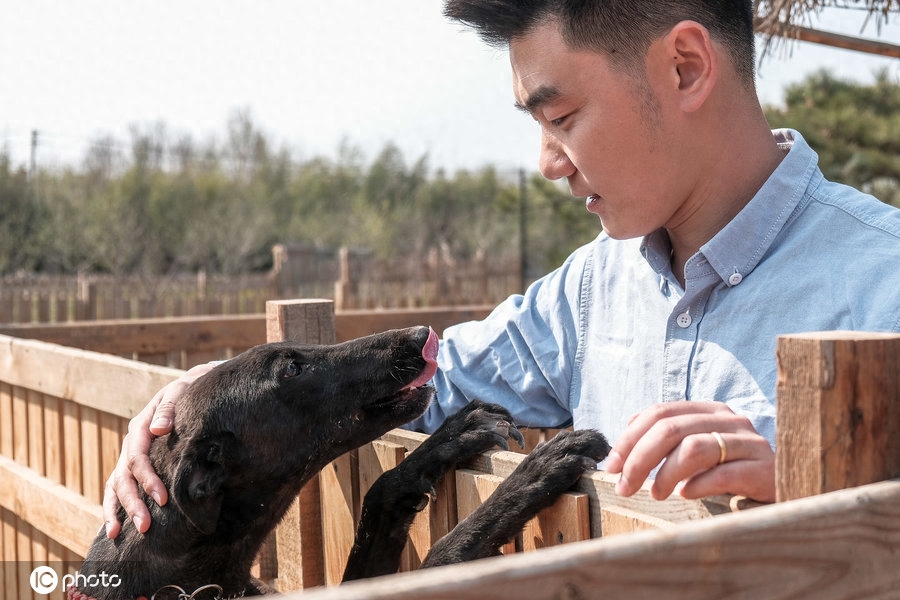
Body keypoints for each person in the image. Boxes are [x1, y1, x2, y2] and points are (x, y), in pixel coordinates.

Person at [103, 0, 900, 539]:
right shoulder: (591, 291)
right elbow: (416, 388)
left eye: (561, 118)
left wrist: (818, 478)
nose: (548, 163)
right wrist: (202, 396)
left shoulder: (883, 279)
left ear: (686, 68)